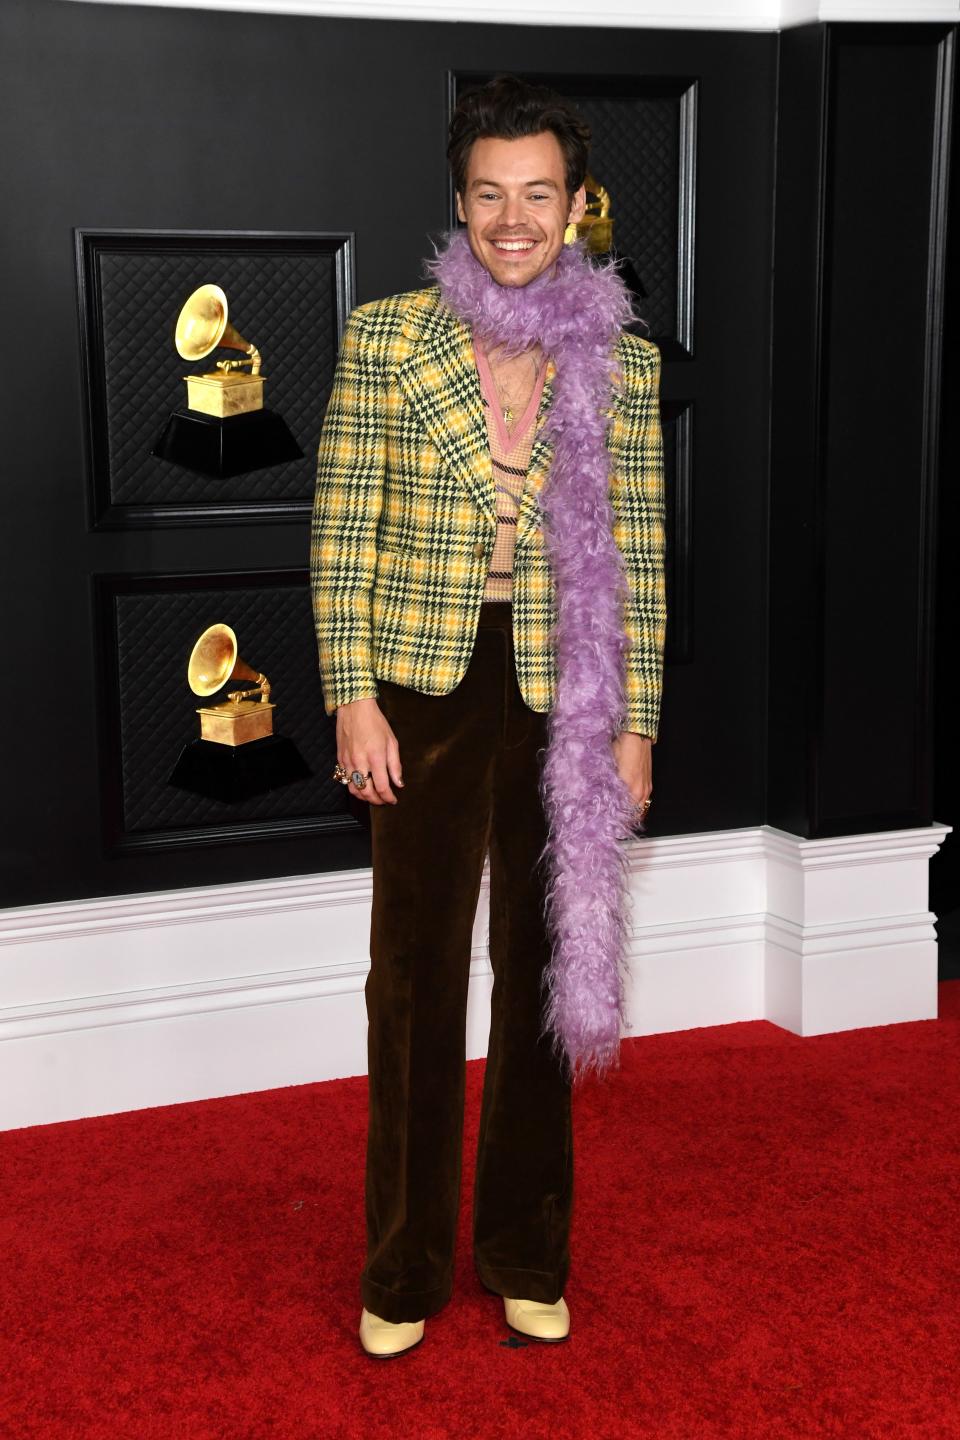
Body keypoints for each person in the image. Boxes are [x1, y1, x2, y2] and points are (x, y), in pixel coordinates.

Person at [310, 74, 666, 1359]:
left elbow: (641, 552)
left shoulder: (616, 354)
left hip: (563, 697)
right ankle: (401, 1270)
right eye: (487, 196)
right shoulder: (389, 338)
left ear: (577, 207)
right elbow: (342, 530)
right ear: (459, 205)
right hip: (420, 687)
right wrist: (352, 693)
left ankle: (526, 1252)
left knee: (543, 974)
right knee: (410, 982)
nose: (513, 220)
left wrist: (636, 724)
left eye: (538, 195)